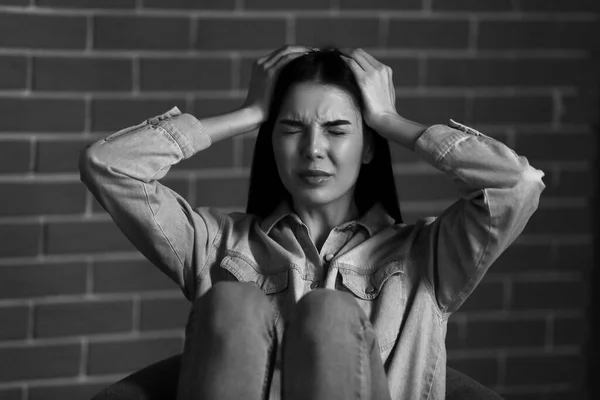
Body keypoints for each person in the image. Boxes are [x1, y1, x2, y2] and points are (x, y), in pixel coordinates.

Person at [80, 45, 545, 400]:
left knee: (327, 314)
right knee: (233, 305)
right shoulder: (216, 244)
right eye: (290, 129)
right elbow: (109, 165)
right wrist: (250, 113)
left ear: (368, 147)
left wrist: (389, 118)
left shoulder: (427, 255)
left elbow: (517, 184)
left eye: (338, 130)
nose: (313, 150)